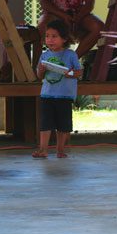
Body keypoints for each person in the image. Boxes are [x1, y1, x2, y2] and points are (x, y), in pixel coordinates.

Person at [32, 19, 82, 159]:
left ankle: (60, 150)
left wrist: (69, 73)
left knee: (63, 125)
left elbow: (79, 72)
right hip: (47, 94)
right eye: (47, 36)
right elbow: (39, 75)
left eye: (54, 36)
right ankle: (43, 150)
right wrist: (41, 70)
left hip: (64, 96)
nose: (50, 40)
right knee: (45, 124)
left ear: (64, 39)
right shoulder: (45, 55)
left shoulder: (70, 55)